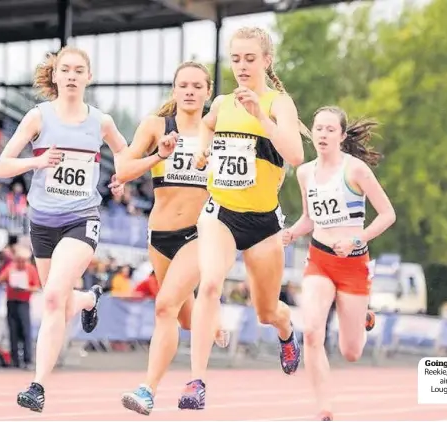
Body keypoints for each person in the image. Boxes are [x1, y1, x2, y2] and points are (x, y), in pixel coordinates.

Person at [178, 26, 308, 410]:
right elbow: (206, 124)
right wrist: (203, 151)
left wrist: (260, 117)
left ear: (267, 61)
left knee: (267, 311)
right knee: (211, 284)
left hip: (264, 222)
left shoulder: (278, 104)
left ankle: (286, 331)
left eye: (250, 59)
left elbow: (296, 156)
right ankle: (195, 382)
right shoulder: (221, 102)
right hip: (221, 212)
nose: (242, 66)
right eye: (235, 59)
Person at [0, 45, 128, 413]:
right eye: (65, 69)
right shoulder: (38, 117)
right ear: (55, 76)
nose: (71, 75)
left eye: (78, 70)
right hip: (42, 222)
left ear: (88, 77)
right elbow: (1, 167)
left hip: (81, 218)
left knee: (52, 298)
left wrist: (121, 178)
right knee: (63, 297)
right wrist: (35, 161)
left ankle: (37, 386)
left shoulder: (101, 122)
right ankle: (87, 299)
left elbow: (124, 153)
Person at [113, 61, 230, 416]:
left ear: (208, 92)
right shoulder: (154, 126)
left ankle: (147, 390)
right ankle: (210, 317)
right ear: (174, 90)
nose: (190, 91)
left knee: (164, 306)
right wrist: (158, 155)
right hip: (160, 234)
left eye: (198, 86)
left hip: (202, 232)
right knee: (181, 317)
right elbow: (123, 169)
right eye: (184, 85)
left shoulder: (221, 131)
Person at [281, 106, 396, 420]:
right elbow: (309, 218)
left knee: (351, 352)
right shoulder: (305, 172)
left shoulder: (355, 169)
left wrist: (358, 239)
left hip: (354, 265)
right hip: (319, 260)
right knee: (313, 331)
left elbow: (388, 215)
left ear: (342, 136)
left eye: (331, 129)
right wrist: (291, 232)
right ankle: (324, 407)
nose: (323, 134)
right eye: (318, 128)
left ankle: (363, 318)